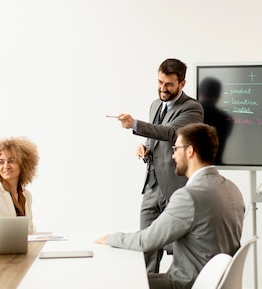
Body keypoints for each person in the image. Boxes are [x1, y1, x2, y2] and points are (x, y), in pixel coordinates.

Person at [95, 123, 245, 289]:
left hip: (189, 283)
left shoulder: (188, 196)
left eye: (176, 149)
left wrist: (110, 238)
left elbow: (146, 241)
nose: (173, 156)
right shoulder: (233, 189)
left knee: (120, 282)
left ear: (190, 151)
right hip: (216, 282)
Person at [113, 58, 204, 273]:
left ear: (182, 84)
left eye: (169, 84)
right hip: (152, 185)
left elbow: (171, 133)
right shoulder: (155, 104)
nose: (163, 89)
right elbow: (155, 136)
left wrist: (135, 125)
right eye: (160, 82)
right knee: (146, 245)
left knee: (177, 246)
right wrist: (144, 147)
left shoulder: (192, 108)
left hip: (174, 186)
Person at [198, 77, 233, 164]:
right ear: (218, 96)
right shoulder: (226, 119)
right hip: (216, 164)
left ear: (200, 93)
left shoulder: (192, 114)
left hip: (196, 165)